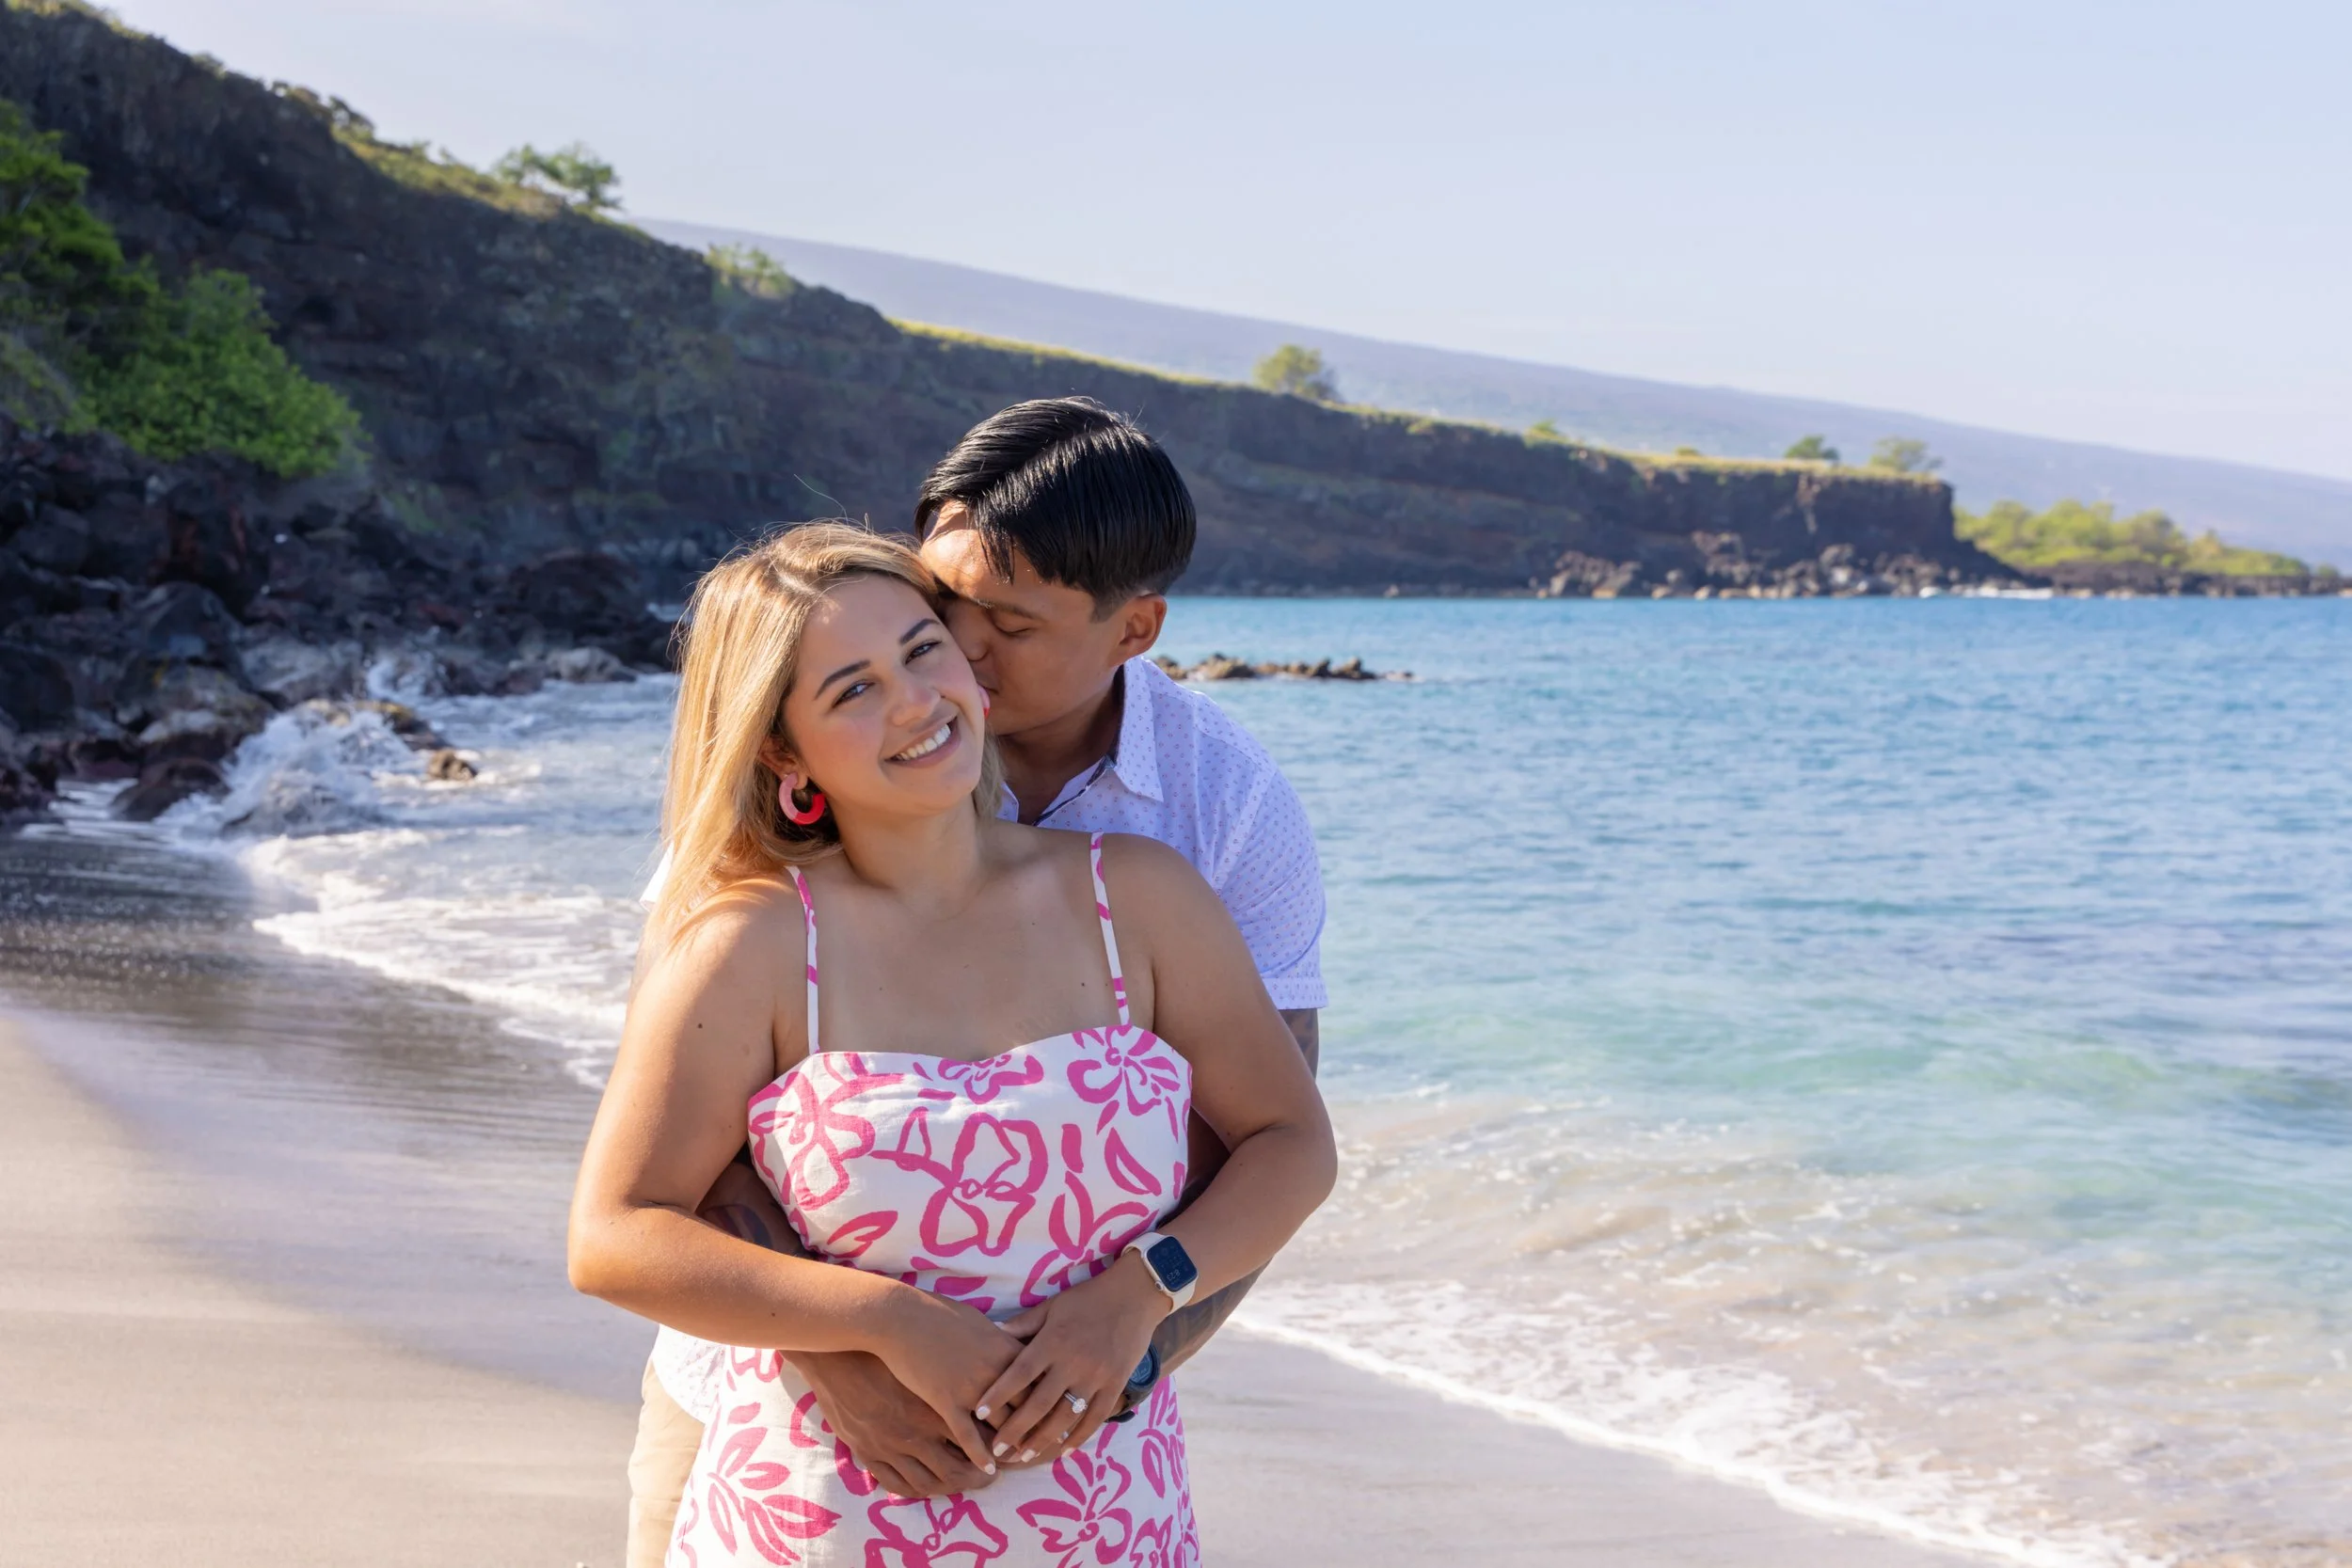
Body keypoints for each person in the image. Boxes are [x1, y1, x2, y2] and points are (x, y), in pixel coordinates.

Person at [621, 400, 1332, 1567]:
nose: (955, 654)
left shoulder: (1221, 813)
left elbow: (1269, 1128)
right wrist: (848, 1360)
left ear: (1133, 629)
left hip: (1079, 1472)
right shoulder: (823, 765)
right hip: (760, 1419)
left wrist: (1122, 1344)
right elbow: (675, 1144)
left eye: (1005, 622)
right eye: (940, 602)